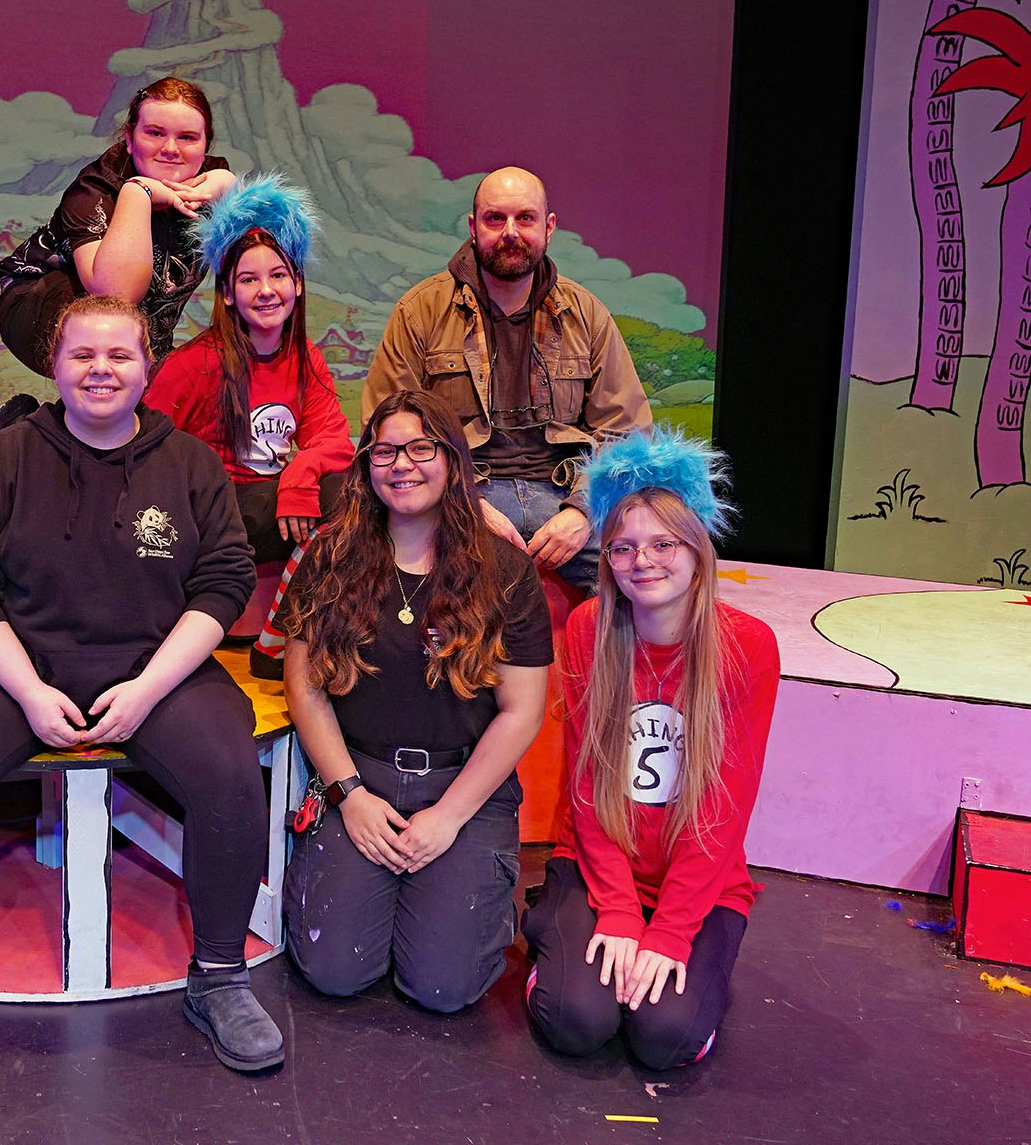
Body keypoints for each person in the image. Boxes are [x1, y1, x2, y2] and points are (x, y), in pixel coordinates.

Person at [0, 295, 283, 1073]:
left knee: (230, 777)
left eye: (119, 356)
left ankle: (220, 976)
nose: (101, 370)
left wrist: (147, 690)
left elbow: (224, 585)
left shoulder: (190, 464)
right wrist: (30, 692)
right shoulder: (3, 459)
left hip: (156, 666)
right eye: (83, 356)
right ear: (55, 365)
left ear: (147, 366)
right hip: (21, 664)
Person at [280, 390, 552, 1011]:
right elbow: (306, 685)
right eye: (384, 451)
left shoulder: (504, 569)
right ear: (366, 466)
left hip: (463, 788)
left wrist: (449, 817)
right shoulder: (329, 556)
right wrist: (350, 797)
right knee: (334, 970)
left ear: (453, 461)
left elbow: (522, 711)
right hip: (359, 779)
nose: (401, 464)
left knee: (443, 987)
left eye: (421, 448)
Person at [523, 427, 779, 1069]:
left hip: (699, 878)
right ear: (606, 560)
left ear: (697, 548)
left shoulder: (747, 646)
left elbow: (725, 808)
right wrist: (615, 911)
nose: (645, 561)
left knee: (665, 1038)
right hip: (598, 864)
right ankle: (553, 941)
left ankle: (692, 965)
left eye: (664, 543)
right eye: (623, 548)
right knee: (577, 1022)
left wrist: (666, 930)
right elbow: (587, 789)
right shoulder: (589, 630)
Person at [359, 166, 651, 592]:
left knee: (653, 568)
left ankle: (611, 660)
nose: (510, 232)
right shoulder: (420, 311)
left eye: (525, 218)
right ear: (473, 226)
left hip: (565, 490)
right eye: (495, 219)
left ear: (549, 227)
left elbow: (626, 431)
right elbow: (386, 430)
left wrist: (582, 510)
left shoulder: (586, 314)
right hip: (464, 493)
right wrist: (464, 504)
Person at [145, 172, 352, 566]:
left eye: (278, 276)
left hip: (270, 500)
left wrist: (299, 476)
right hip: (209, 513)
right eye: (248, 280)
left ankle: (297, 620)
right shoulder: (195, 365)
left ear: (298, 284)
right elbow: (148, 446)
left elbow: (332, 441)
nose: (266, 291)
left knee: (346, 493)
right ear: (226, 294)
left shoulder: (305, 357)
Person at [0, 77, 236, 373]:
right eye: (155, 133)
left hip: (138, 318)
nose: (171, 148)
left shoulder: (211, 179)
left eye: (187, 137)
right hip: (39, 300)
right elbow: (116, 296)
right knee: (114, 351)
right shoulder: (93, 190)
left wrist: (232, 187)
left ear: (205, 144)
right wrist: (139, 193)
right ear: (129, 137)